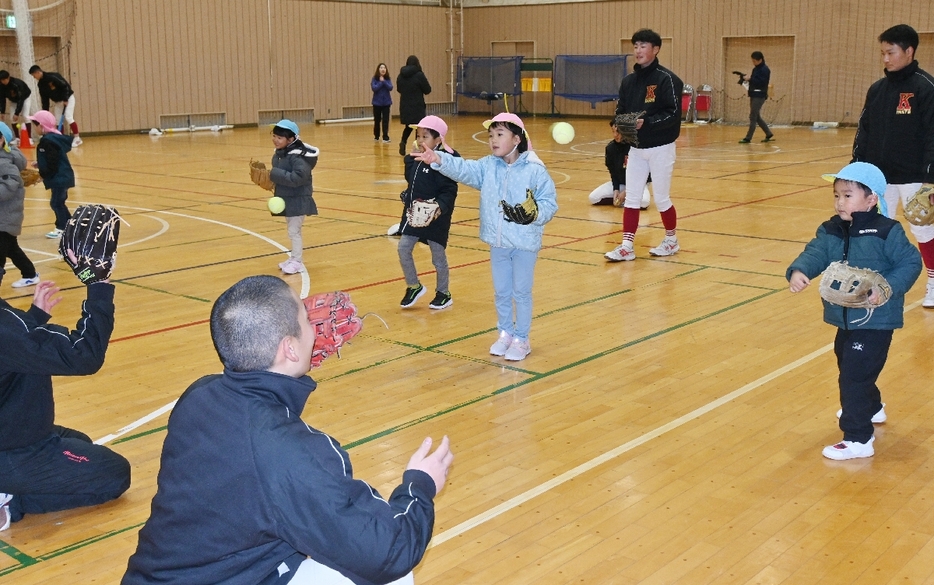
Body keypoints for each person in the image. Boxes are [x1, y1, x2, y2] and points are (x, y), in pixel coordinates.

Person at [122, 275, 453, 585]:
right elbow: (388, 551)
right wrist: (420, 486)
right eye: (307, 321)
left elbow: (257, 424)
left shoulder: (199, 394)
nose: (314, 324)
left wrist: (287, 372)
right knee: (393, 577)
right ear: (289, 348)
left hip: (159, 574)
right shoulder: (292, 453)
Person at [787, 162, 921, 460]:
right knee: (848, 364)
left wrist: (887, 287)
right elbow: (816, 252)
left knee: (853, 375)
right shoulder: (831, 229)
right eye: (837, 195)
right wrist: (799, 270)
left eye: (848, 195)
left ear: (871, 199)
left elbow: (911, 263)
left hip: (877, 320)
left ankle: (858, 438)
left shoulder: (887, 231)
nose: (839, 202)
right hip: (845, 318)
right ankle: (871, 407)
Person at [413, 113, 558, 361]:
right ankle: (505, 334)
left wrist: (534, 214)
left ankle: (522, 339)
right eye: (491, 135)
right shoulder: (488, 166)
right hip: (498, 242)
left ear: (516, 139)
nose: (493, 140)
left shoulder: (535, 170)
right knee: (501, 292)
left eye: (500, 134)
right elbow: (464, 168)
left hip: (524, 244)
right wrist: (439, 159)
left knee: (520, 292)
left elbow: (549, 203)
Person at [0, 260, 131, 531]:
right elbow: (83, 354)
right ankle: (11, 501)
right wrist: (98, 286)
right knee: (115, 473)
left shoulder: (8, 327)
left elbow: (16, 347)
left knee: (81, 443)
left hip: (16, 429)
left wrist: (34, 318)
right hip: (12, 448)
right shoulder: (5, 327)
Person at [851, 24, 934, 308]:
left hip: (914, 176)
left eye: (891, 52)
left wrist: (930, 179)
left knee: (923, 229)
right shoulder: (877, 90)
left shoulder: (926, 87)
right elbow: (865, 130)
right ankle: (876, 283)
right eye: (882, 53)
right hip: (879, 178)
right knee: (875, 228)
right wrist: (857, 169)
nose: (885, 58)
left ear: (909, 51)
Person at [605, 29, 684, 262]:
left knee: (661, 198)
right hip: (636, 149)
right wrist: (617, 124)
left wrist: (645, 122)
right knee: (632, 198)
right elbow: (620, 110)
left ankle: (671, 240)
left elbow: (673, 114)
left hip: (661, 148)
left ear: (656, 49)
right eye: (635, 46)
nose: (638, 51)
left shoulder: (667, 79)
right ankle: (627, 246)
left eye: (643, 46)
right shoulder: (628, 82)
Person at [398, 115, 460, 310]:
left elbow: (449, 190)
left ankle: (444, 292)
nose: (419, 140)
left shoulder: (447, 161)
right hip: (415, 214)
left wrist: (438, 208)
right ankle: (414, 286)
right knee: (403, 248)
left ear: (439, 139)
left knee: (437, 256)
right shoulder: (418, 155)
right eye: (418, 135)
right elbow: (411, 179)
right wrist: (409, 160)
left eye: (425, 136)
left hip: (435, 217)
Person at [269, 119, 319, 275]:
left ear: (290, 139)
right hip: (288, 198)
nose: (275, 140)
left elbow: (298, 178)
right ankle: (293, 259)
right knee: (292, 230)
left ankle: (297, 261)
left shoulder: (297, 157)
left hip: (299, 199)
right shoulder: (281, 154)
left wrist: (274, 174)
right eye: (274, 136)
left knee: (294, 231)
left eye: (280, 137)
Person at [0, 122, 39, 288]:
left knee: (1, 249)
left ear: (2, 140)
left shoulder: (5, 162)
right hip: (5, 215)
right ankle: (30, 274)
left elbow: (12, 184)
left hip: (7, 215)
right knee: (12, 249)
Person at [28, 109, 74, 239]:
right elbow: (53, 157)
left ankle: (62, 227)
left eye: (35, 125)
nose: (34, 128)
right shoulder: (53, 139)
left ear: (41, 126)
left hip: (59, 178)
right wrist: (40, 163)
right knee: (58, 202)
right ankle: (70, 225)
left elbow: (53, 163)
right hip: (61, 177)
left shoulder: (47, 141)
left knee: (56, 203)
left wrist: (43, 174)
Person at [589, 118, 651, 208]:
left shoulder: (636, 147)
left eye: (617, 132)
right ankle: (622, 200)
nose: (615, 135)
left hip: (638, 184)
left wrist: (626, 192)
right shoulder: (610, 148)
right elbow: (613, 173)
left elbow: (644, 175)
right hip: (622, 183)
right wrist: (616, 190)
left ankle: (627, 198)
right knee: (593, 198)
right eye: (613, 131)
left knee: (644, 202)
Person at [28, 65, 81, 147]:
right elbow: (44, 99)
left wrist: (65, 99)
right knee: (58, 120)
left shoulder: (53, 77)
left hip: (68, 98)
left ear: (37, 72)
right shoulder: (40, 85)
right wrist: (45, 112)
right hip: (58, 102)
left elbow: (65, 86)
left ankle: (77, 138)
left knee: (68, 117)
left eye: (34, 75)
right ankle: (61, 138)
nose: (34, 77)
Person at [396, 56, 431, 156]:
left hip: (405, 105)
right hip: (417, 105)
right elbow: (427, 90)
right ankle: (417, 148)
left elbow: (399, 89)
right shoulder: (419, 75)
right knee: (419, 127)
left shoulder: (400, 76)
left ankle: (403, 142)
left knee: (408, 126)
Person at [738, 51, 774, 143]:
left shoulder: (765, 70)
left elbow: (762, 82)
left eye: (754, 61)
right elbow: (754, 81)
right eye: (752, 61)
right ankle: (768, 133)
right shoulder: (755, 69)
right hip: (753, 94)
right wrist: (746, 79)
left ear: (760, 60)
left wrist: (750, 79)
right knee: (757, 116)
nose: (753, 62)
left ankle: (748, 138)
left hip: (760, 95)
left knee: (753, 116)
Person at [0, 70, 33, 143]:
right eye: (1, 80)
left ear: (8, 78)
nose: (3, 82)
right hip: (14, 100)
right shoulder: (1, 86)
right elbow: (2, 99)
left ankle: (30, 138)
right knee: (12, 118)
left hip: (25, 98)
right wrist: (2, 112)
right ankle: (17, 138)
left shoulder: (17, 84)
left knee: (25, 116)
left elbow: (21, 99)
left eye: (4, 80)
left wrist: (17, 113)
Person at [371, 63, 393, 143]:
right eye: (381, 67)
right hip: (377, 103)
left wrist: (384, 81)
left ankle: (385, 136)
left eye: (384, 68)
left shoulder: (387, 79)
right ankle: (376, 136)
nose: (383, 69)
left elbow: (390, 87)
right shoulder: (374, 79)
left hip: (386, 103)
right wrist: (380, 82)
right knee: (377, 120)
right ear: (378, 69)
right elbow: (374, 88)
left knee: (386, 120)